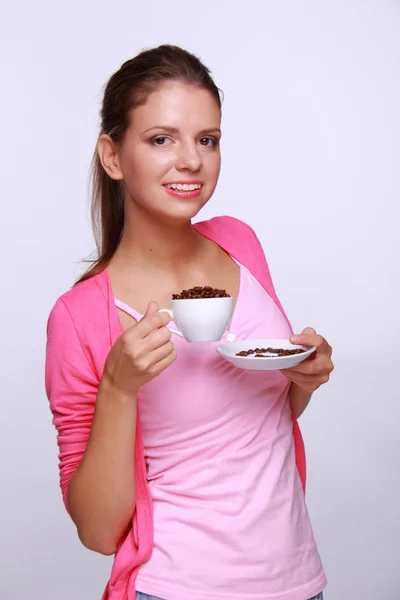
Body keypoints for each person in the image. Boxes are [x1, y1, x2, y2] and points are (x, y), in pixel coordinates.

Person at [45, 44, 334, 600]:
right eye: (161, 139)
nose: (192, 161)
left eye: (208, 139)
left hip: (298, 583)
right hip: (174, 588)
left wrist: (304, 375)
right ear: (112, 156)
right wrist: (118, 387)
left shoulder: (239, 241)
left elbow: (258, 419)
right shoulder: (80, 316)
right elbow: (98, 531)